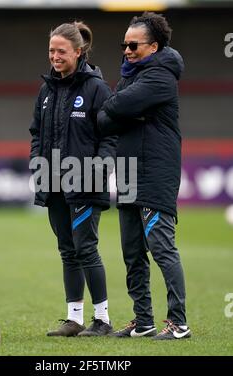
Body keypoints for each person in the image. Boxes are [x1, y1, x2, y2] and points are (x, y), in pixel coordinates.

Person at [98, 12, 191, 340]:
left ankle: (178, 323)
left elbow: (117, 107)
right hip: (127, 172)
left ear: (153, 46)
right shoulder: (131, 76)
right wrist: (119, 111)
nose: (126, 49)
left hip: (154, 172)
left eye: (133, 44)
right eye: (124, 44)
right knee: (132, 251)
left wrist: (119, 111)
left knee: (161, 247)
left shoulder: (160, 77)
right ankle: (144, 320)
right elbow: (107, 117)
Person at [29, 21, 117, 337]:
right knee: (67, 250)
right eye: (51, 50)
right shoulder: (45, 90)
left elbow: (110, 136)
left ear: (78, 52)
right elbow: (36, 133)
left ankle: (103, 320)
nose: (55, 56)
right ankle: (74, 319)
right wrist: (36, 163)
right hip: (53, 184)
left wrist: (101, 167)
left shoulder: (97, 88)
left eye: (61, 51)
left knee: (86, 249)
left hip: (85, 183)